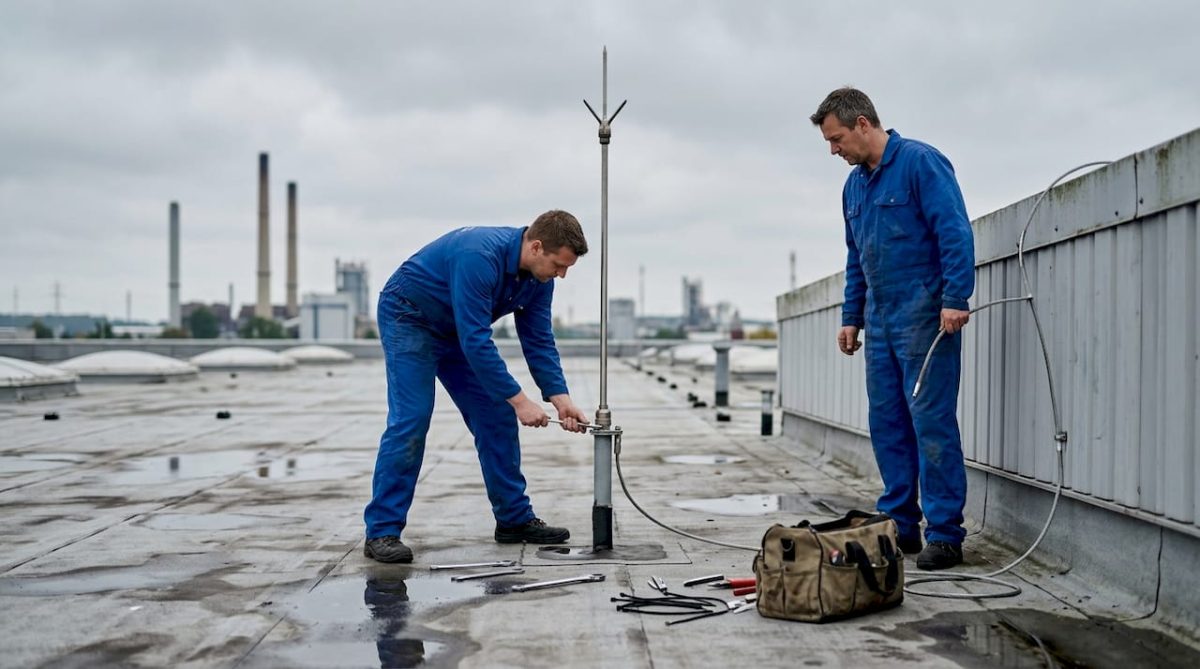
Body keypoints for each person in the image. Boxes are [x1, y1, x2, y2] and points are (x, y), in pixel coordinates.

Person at [363, 210, 592, 563]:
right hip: (409, 316)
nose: (561, 274)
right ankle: (382, 531)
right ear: (536, 247)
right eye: (559, 265)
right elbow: (476, 340)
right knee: (412, 419)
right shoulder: (479, 256)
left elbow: (539, 340)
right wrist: (520, 400)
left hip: (456, 330)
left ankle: (514, 520)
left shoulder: (538, 280)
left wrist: (561, 400)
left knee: (496, 415)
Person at [810, 87, 975, 570]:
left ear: (863, 124)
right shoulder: (854, 187)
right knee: (887, 423)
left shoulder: (922, 163)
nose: (833, 150)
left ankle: (945, 534)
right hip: (880, 322)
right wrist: (851, 316)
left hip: (927, 317)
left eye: (837, 139)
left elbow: (954, 230)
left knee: (931, 422)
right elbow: (856, 257)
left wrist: (955, 297)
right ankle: (900, 525)